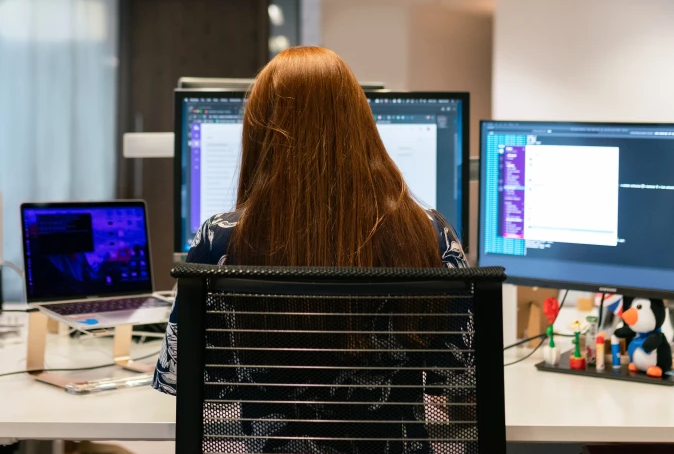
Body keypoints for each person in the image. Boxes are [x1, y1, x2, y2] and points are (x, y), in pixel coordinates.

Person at [153, 45, 466, 395]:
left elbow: (179, 378)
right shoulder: (431, 233)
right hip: (397, 448)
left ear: (260, 134)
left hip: (276, 450)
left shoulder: (220, 238)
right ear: (362, 125)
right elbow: (461, 382)